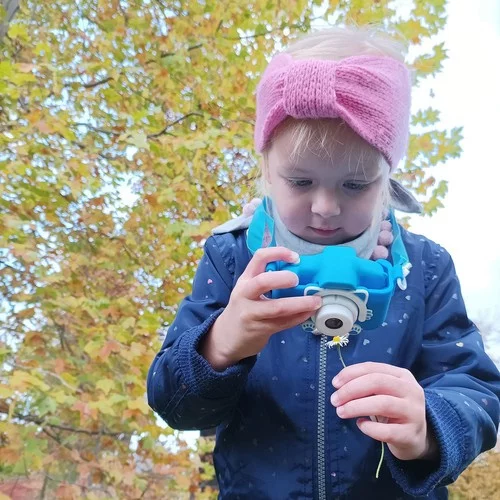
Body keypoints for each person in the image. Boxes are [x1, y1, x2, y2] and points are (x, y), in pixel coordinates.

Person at [147, 25, 500, 499]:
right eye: (300, 182)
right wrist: (220, 344)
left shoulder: (425, 268)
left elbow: (476, 390)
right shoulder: (233, 257)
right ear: (266, 170)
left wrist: (429, 426)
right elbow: (172, 403)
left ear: (387, 178)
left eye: (355, 184)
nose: (325, 207)